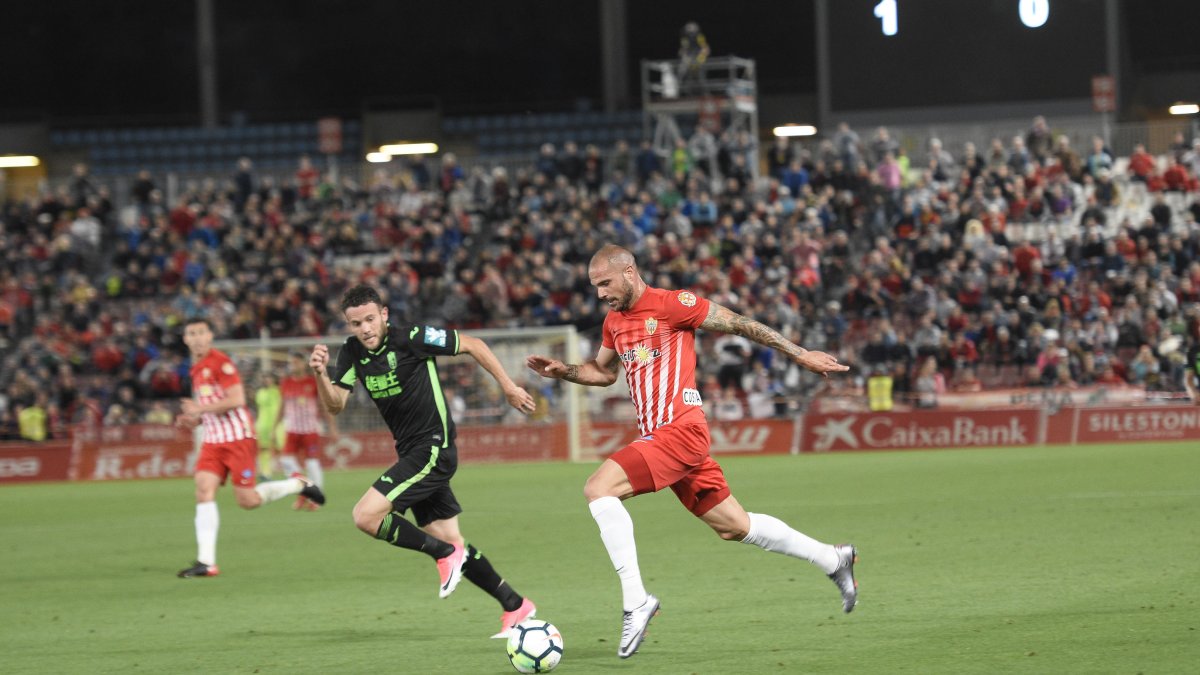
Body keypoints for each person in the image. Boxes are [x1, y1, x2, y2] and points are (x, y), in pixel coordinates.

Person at [526, 245, 857, 660]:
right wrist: (565, 371)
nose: (600, 294)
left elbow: (739, 324)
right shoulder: (614, 322)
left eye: (605, 283)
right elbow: (603, 373)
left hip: (680, 430)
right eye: (595, 286)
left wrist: (800, 353)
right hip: (663, 439)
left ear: (629, 272)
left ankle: (636, 601)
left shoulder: (672, 304)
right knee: (734, 526)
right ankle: (833, 559)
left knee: (599, 488)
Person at [308, 284, 539, 638]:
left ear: (384, 315)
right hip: (411, 453)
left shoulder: (412, 338)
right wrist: (321, 375)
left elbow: (474, 345)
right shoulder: (352, 352)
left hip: (433, 448)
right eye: (356, 323)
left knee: (365, 516)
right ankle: (515, 605)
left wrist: (508, 387)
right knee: (453, 539)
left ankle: (442, 555)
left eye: (370, 319)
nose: (365, 329)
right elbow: (336, 404)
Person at [175, 317, 325, 579]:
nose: (197, 338)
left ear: (210, 336)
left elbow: (237, 399)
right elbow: (212, 406)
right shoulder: (195, 368)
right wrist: (195, 419)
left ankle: (297, 484)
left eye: (201, 332)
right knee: (203, 490)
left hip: (238, 438)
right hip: (212, 440)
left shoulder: (220, 362)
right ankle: (206, 562)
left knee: (248, 501)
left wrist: (200, 408)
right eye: (192, 334)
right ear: (185, 339)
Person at [276, 350, 337, 510]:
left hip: (310, 430)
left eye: (296, 362)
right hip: (292, 430)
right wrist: (275, 426)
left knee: (312, 464)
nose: (293, 365)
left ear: (304, 364)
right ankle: (304, 490)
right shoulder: (286, 382)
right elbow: (282, 406)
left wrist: (332, 427)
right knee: (286, 461)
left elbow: (323, 405)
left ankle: (315, 499)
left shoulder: (312, 382)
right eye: (291, 362)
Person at [254, 372, 282, 479]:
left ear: (273, 379)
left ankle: (284, 469)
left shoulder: (278, 391)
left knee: (281, 448)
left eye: (269, 378)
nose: (266, 380)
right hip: (262, 425)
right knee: (264, 448)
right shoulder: (260, 393)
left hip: (277, 424)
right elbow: (259, 409)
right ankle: (265, 472)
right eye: (265, 378)